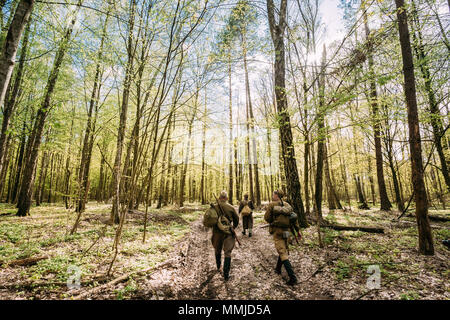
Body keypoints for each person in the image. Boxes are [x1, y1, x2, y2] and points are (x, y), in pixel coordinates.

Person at [264, 190, 298, 285]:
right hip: (287, 231)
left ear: (276, 195)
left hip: (278, 231)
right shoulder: (287, 205)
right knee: (283, 248)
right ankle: (278, 269)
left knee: (282, 251)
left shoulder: (272, 205)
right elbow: (293, 218)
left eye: (273, 194)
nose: (272, 195)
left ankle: (292, 277)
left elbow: (267, 218)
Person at [211, 190, 239, 281]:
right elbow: (237, 219)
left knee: (217, 250)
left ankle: (218, 266)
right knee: (228, 253)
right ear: (226, 198)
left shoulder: (214, 207)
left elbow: (210, 219)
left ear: (219, 198)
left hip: (217, 232)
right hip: (228, 232)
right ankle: (226, 274)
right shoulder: (231, 207)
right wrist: (233, 227)